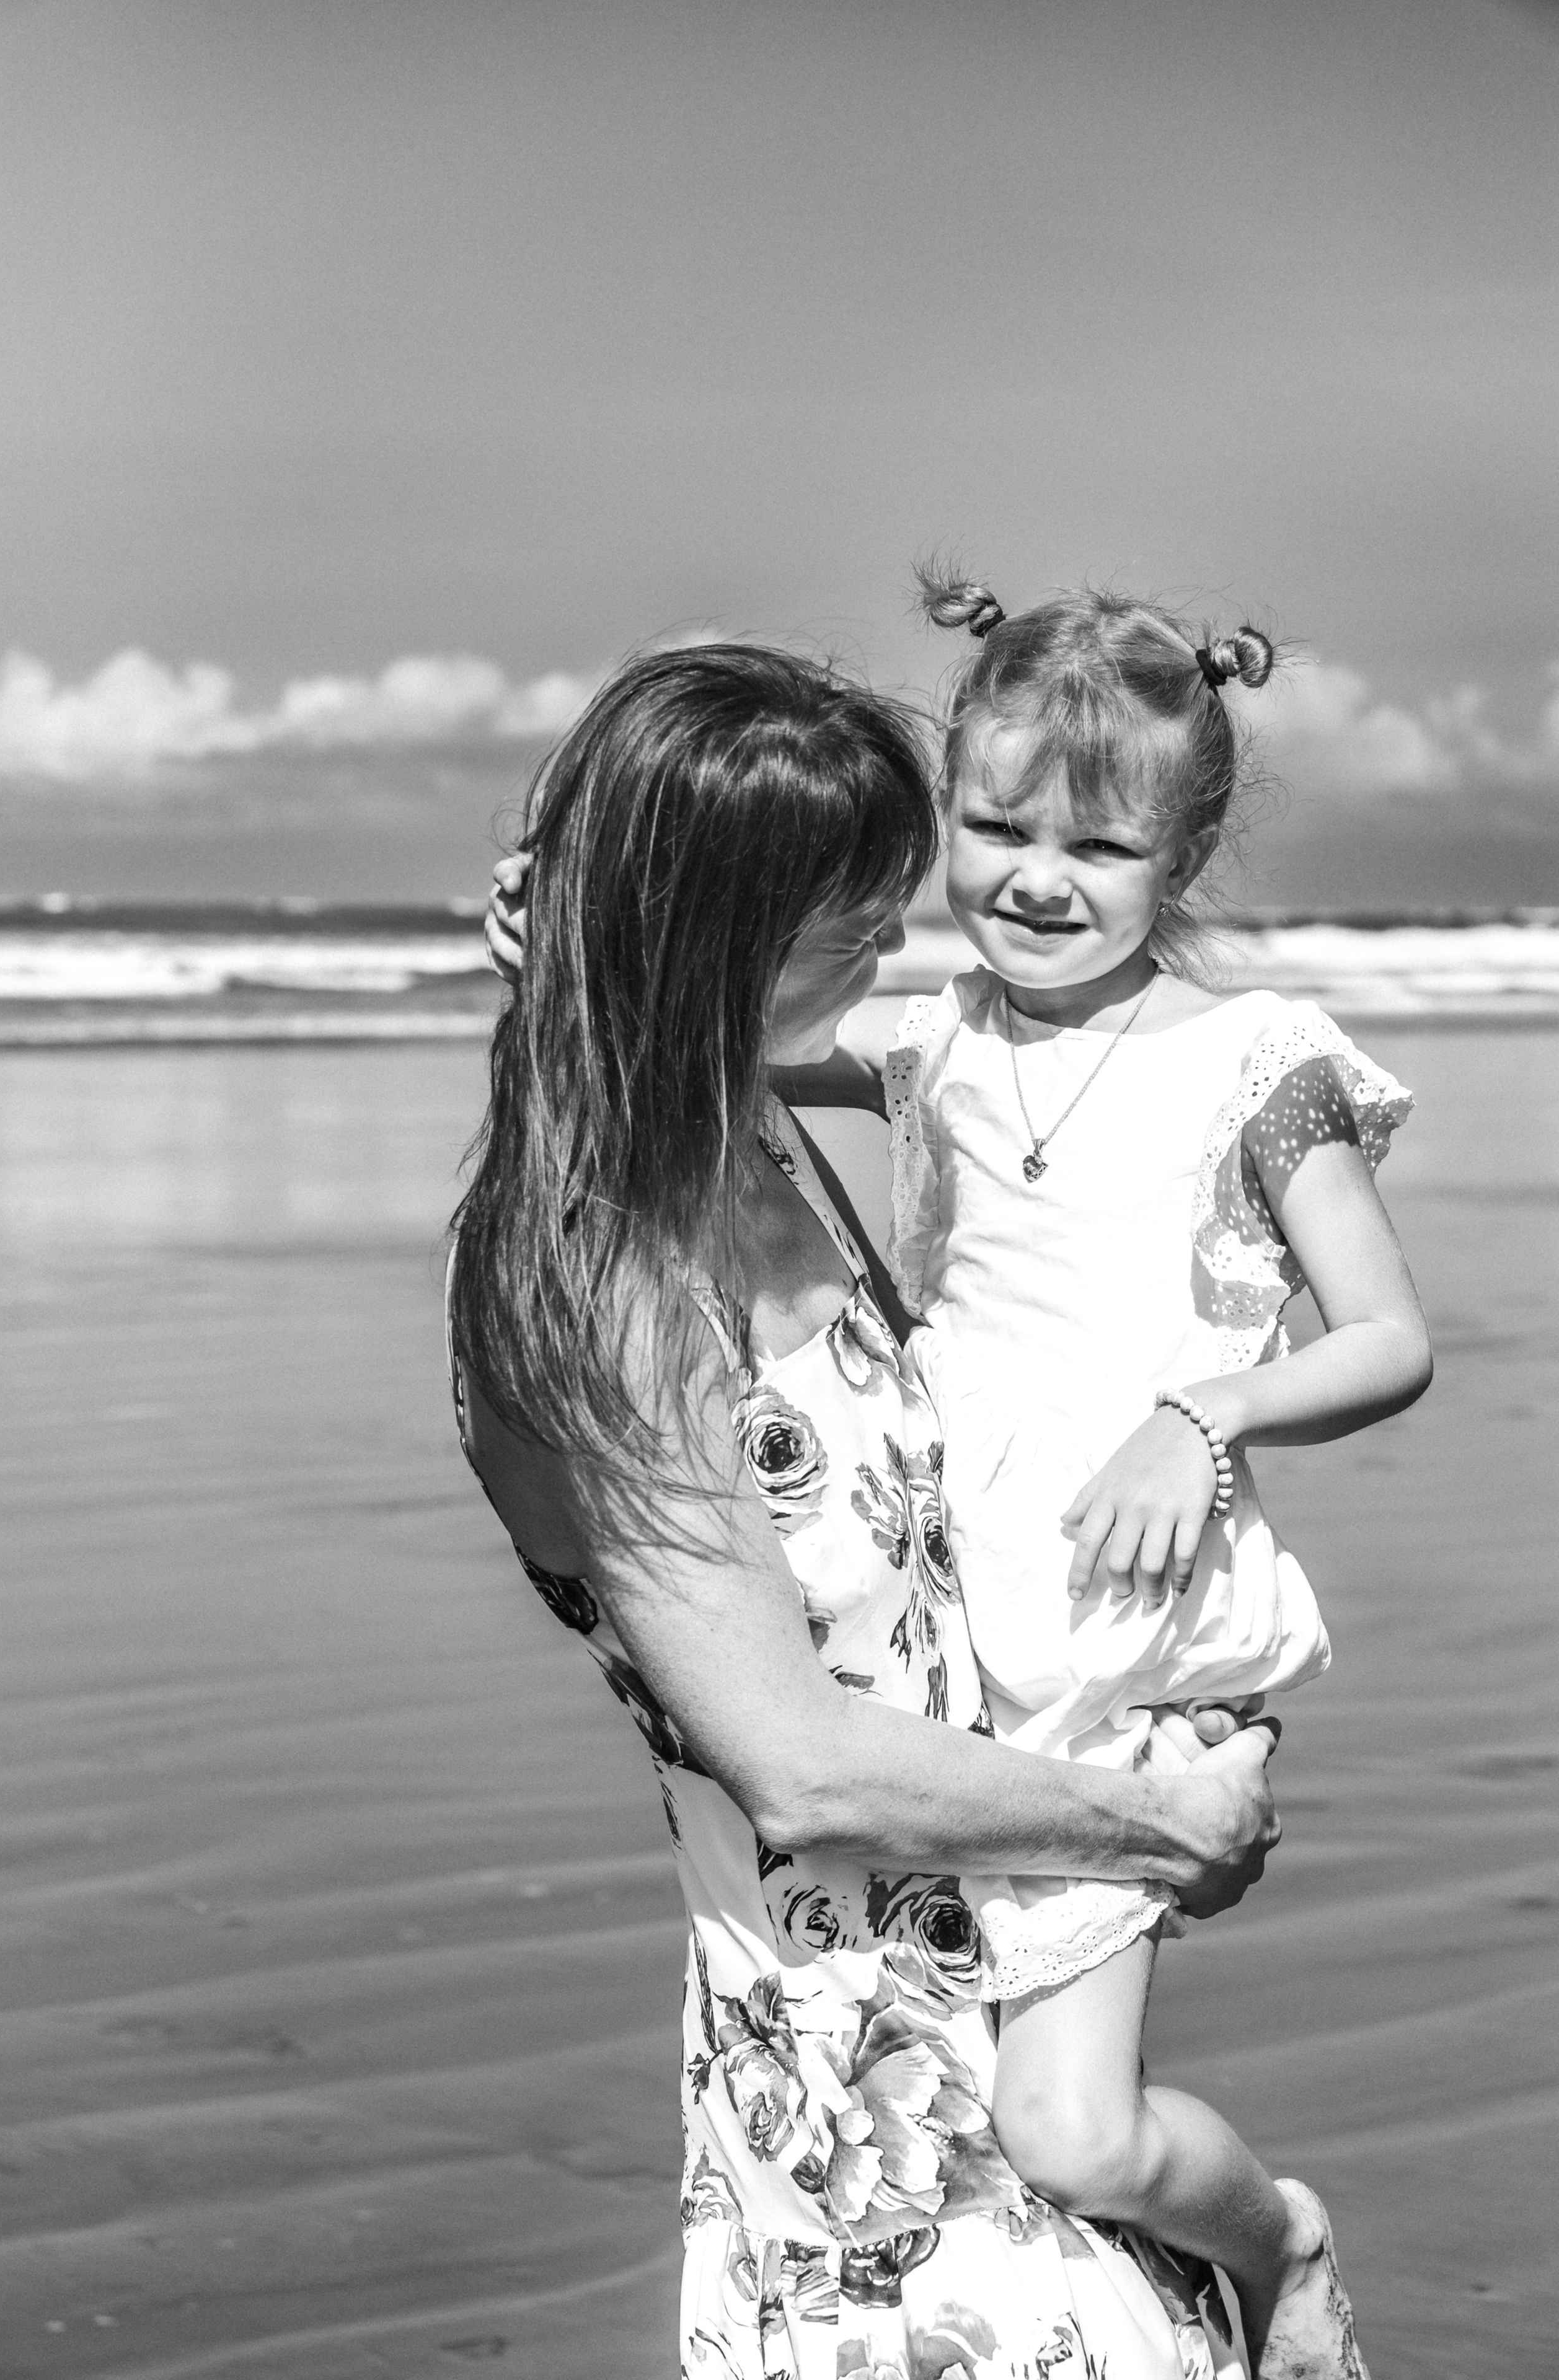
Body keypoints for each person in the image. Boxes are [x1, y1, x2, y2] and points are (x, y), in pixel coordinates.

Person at [453, 641, 1308, 2380]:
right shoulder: (601, 1272)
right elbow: (804, 1765)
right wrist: (1168, 1828)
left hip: (1026, 1987)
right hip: (856, 2110)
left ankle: (1275, 2251)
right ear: (710, 935)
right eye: (845, 912)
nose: (894, 940)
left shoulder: (751, 1123)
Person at [770, 576, 1434, 2374]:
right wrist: (547, 955)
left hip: (1133, 1651)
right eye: (992, 825)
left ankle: (1275, 2240)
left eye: (1101, 844)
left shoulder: (1250, 1062)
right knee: (938, 2112)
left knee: (1071, 2131)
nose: (1034, 877)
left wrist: (1206, 1410)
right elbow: (692, 1053)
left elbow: (1387, 1339)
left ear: (1186, 849)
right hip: (939, 1641)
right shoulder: (928, 1043)